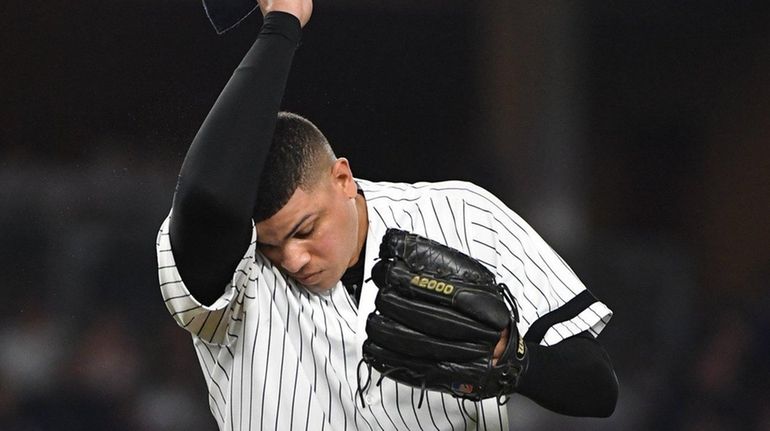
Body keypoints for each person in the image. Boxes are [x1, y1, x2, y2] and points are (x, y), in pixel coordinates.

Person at [156, 0, 619, 429]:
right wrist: (282, 25)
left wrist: (511, 358)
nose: (293, 258)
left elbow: (597, 388)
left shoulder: (462, 215)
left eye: (305, 230)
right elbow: (205, 200)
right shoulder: (240, 274)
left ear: (342, 179)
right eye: (274, 245)